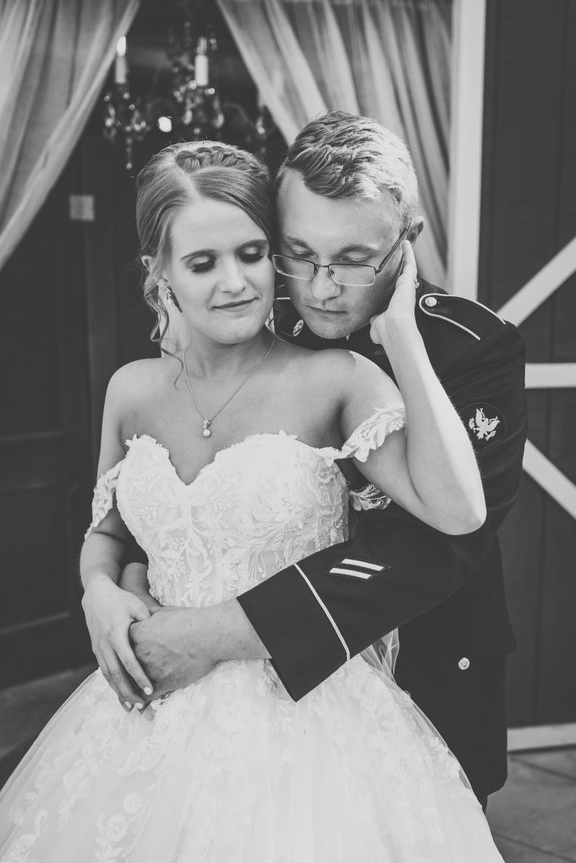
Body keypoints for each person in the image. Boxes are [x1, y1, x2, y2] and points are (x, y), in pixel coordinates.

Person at [0, 140, 506, 861]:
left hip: (309, 718)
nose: (234, 282)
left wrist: (398, 332)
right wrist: (98, 593)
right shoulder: (130, 390)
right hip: (151, 710)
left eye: (252, 254)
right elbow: (109, 535)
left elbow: (457, 514)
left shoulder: (339, 378)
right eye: (202, 262)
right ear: (160, 273)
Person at [116, 113, 528, 809]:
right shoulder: (248, 317)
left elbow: (438, 547)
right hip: (248, 708)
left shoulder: (473, 349)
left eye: (353, 259)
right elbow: (173, 472)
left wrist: (214, 633)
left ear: (407, 241)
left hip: (430, 671)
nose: (320, 287)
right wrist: (111, 583)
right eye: (298, 252)